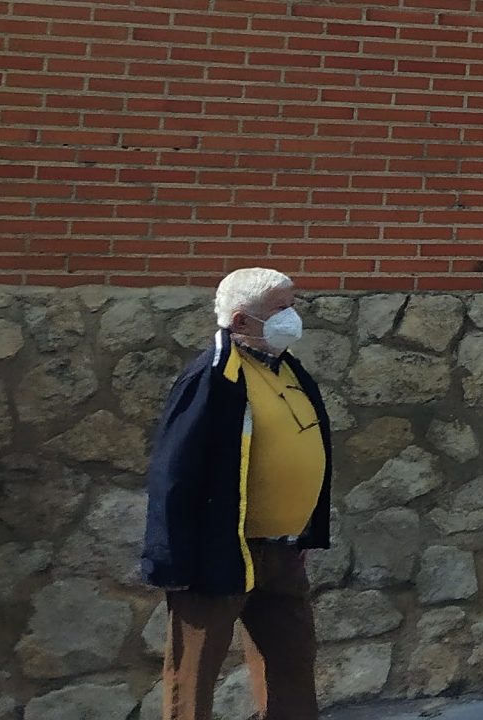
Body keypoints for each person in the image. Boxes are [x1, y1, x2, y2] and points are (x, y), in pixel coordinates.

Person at [144, 268, 334, 720]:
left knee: (291, 664)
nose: (292, 316)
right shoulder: (211, 377)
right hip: (219, 553)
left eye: (293, 304)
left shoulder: (288, 370)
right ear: (241, 322)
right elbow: (175, 472)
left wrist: (302, 530)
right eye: (280, 308)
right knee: (194, 677)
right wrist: (172, 560)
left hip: (284, 552)